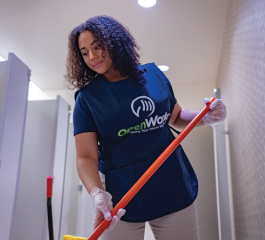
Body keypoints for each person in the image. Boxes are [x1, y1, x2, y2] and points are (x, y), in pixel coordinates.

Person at [66, 15, 226, 240]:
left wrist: (206, 116)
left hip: (171, 185)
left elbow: (177, 117)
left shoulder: (153, 76)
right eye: (84, 53)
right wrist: (97, 194)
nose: (92, 57)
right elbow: (85, 157)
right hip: (120, 198)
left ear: (114, 41)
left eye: (97, 47)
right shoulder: (87, 99)